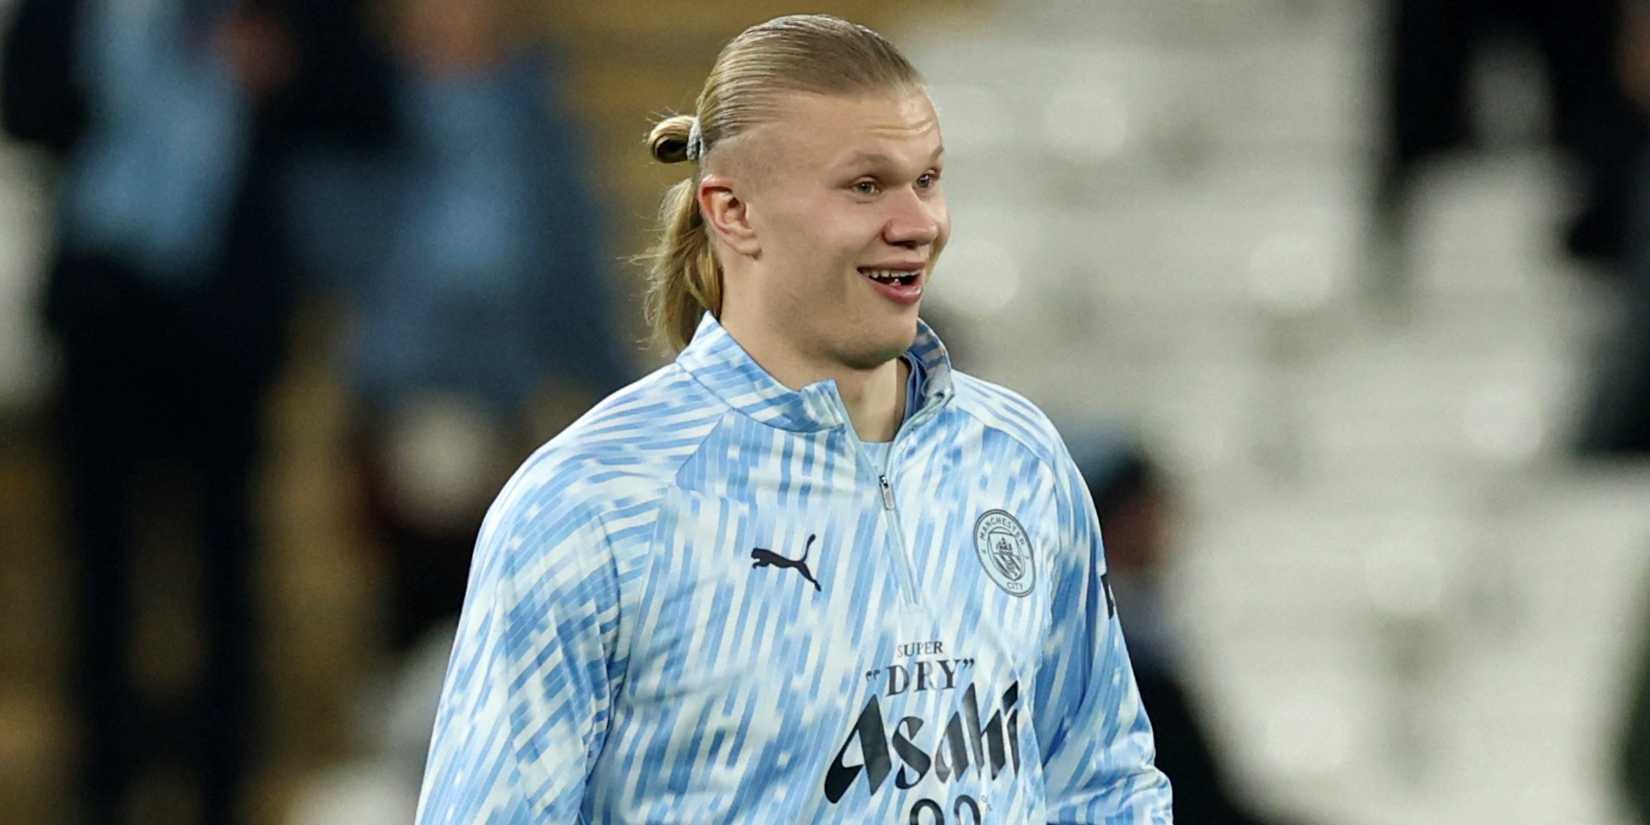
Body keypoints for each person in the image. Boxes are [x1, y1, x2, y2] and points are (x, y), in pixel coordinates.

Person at [415, 14, 1172, 824]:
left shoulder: (1019, 459)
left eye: (927, 179)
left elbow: (1105, 784)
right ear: (734, 211)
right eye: (866, 185)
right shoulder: (592, 505)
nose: (920, 224)